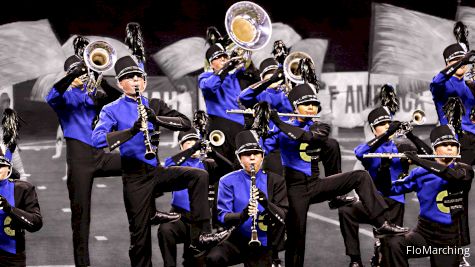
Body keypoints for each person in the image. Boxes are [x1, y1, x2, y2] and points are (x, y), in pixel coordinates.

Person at [92, 55, 232, 266]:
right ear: (120, 84)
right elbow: (96, 140)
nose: (135, 81)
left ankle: (201, 235)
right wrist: (131, 131)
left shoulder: (154, 104)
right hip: (134, 177)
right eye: (129, 78)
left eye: (138, 77)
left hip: (155, 171)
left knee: (199, 176)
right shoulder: (111, 109)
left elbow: (184, 123)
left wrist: (156, 119)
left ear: (145, 81)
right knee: (140, 239)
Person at [262, 83, 409, 267]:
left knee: (360, 175)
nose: (311, 107)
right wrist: (259, 126)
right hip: (294, 189)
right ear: (294, 107)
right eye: (306, 104)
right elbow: (261, 150)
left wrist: (278, 122)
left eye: (314, 104)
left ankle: (381, 223)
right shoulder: (280, 129)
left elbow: (308, 138)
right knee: (296, 240)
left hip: (316, 185)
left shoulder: (320, 126)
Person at [45, 54, 130, 266]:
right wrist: (72, 74)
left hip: (100, 154)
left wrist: (99, 76)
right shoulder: (64, 97)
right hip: (79, 159)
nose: (81, 74)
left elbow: (117, 100)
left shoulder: (94, 93)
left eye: (82, 70)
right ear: (68, 74)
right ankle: (83, 264)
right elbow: (51, 97)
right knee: (81, 217)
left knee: (139, 162)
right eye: (76, 71)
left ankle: (151, 202)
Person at [239, 58, 356, 210]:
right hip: (276, 143)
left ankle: (336, 195)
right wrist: (269, 82)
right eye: (271, 75)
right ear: (263, 78)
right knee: (280, 188)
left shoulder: (288, 94)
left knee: (331, 145)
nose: (277, 79)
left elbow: (309, 105)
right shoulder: (262, 94)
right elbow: (243, 97)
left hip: (299, 139)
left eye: (278, 75)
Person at [339, 106, 432, 267]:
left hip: (394, 203)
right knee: (346, 211)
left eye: (389, 123)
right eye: (382, 124)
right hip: (374, 202)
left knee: (389, 252)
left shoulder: (401, 146)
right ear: (374, 130)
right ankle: (355, 260)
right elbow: (359, 153)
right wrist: (387, 134)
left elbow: (430, 156)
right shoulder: (371, 149)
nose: (387, 126)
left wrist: (410, 134)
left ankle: (381, 252)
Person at [380, 125, 474, 267]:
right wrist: (384, 168)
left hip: (447, 239)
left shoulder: (464, 170)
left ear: (458, 150)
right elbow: (389, 190)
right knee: (392, 244)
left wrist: (419, 160)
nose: (450, 148)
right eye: (444, 145)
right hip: (423, 233)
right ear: (435, 149)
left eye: (453, 145)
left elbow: (451, 176)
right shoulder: (420, 173)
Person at [206, 130, 288, 266]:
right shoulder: (227, 180)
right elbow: (221, 217)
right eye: (246, 154)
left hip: (263, 241)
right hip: (236, 238)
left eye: (256, 153)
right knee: (213, 258)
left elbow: (283, 216)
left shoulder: (275, 181)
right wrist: (242, 215)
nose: (252, 158)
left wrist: (266, 203)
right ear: (239, 158)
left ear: (262, 157)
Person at [157, 128, 234, 267]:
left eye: (195, 141)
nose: (193, 144)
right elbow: (167, 166)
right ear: (181, 146)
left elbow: (229, 170)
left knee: (196, 262)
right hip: (179, 216)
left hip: (199, 221)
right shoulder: (175, 164)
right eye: (188, 142)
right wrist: (192, 149)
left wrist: (213, 153)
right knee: (165, 230)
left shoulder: (207, 164)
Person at [198, 44, 246, 165]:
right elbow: (209, 87)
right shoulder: (205, 76)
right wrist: (225, 69)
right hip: (219, 125)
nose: (223, 59)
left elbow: (249, 69)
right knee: (220, 165)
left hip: (239, 126)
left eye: (225, 56)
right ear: (210, 64)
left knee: (239, 165)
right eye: (218, 57)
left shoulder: (234, 76)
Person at [430, 43, 475, 166]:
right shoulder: (441, 86)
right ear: (447, 64)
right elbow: (436, 82)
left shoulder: (470, 85)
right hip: (457, 140)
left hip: (473, 138)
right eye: (455, 60)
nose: (461, 63)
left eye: (463, 59)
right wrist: (460, 62)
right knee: (460, 183)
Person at [0, 144, 42, 266]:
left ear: (8, 168)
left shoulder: (22, 189)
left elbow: (36, 223)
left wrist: (10, 209)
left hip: (11, 255)